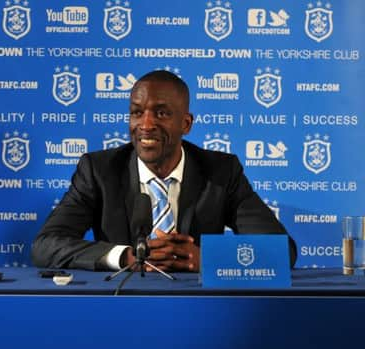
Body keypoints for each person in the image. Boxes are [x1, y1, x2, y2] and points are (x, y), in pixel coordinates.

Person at [31, 70, 296, 272]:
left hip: (200, 308)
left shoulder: (221, 172)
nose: (146, 124)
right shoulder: (99, 171)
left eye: (161, 113)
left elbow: (282, 252)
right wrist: (125, 257)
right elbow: (45, 246)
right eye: (137, 112)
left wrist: (206, 258)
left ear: (186, 124)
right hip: (121, 304)